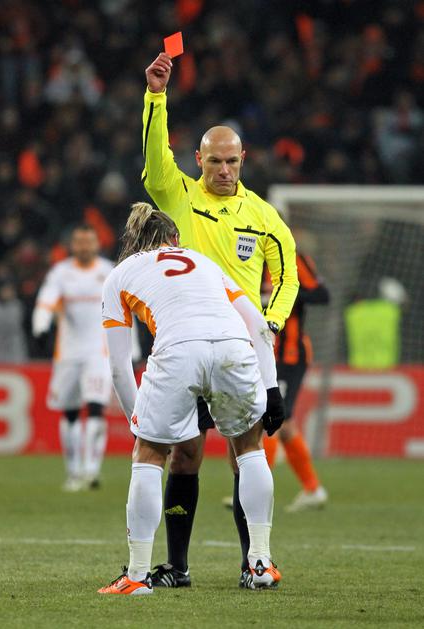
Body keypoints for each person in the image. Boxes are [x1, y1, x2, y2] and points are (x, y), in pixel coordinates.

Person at [141, 52, 299, 589]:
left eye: (232, 161)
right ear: (199, 160)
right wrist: (156, 95)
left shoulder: (264, 216)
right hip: (186, 342)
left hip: (238, 348)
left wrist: (271, 324)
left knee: (244, 453)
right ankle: (177, 567)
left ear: (244, 159)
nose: (224, 171)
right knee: (184, 455)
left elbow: (288, 277)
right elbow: (154, 159)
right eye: (214, 162)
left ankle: (255, 562)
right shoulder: (179, 195)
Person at [98, 202, 285, 595]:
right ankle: (260, 563)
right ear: (175, 238)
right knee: (249, 449)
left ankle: (137, 576)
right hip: (233, 346)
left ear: (134, 241)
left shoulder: (120, 274)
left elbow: (118, 367)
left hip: (178, 349)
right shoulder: (204, 263)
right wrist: (271, 388)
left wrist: (138, 424)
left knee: (149, 455)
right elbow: (258, 323)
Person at [32, 224, 113, 491]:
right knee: (70, 413)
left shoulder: (109, 271)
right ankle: (74, 471)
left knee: (96, 407)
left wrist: (132, 349)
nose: (84, 246)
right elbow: (46, 301)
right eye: (79, 242)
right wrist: (40, 326)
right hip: (67, 353)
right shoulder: (61, 272)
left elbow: (125, 310)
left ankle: (91, 471)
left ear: (97, 244)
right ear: (72, 245)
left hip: (98, 353)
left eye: (88, 241)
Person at [264, 252, 330, 512]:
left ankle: (256, 489)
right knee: (285, 423)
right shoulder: (249, 259)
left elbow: (321, 295)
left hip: (290, 355)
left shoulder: (291, 257)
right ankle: (312, 488)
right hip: (265, 353)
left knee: (272, 418)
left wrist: (285, 294)